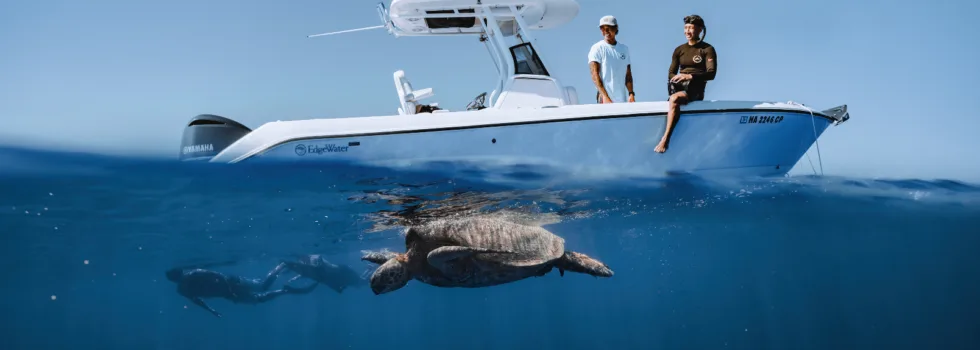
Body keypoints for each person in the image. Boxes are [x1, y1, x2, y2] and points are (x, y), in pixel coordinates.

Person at [164, 263, 316, 318]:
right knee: (259, 298)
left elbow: (217, 275)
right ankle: (286, 290)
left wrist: (229, 289)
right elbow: (197, 300)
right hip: (228, 293)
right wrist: (212, 311)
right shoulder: (183, 289)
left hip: (232, 283)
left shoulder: (194, 274)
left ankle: (282, 266)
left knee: (263, 287)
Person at [657, 14, 717, 153]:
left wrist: (689, 76)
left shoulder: (707, 49)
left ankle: (665, 140)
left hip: (696, 88)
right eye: (685, 28)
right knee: (672, 98)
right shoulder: (679, 50)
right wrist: (677, 78)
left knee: (674, 99)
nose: (687, 31)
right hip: (679, 87)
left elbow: (711, 73)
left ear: (700, 29)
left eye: (691, 28)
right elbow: (671, 73)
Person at [588, 15, 635, 104]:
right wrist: (605, 97)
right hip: (604, 100)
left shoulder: (624, 49)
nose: (606, 31)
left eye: (609, 28)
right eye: (602, 28)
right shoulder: (597, 48)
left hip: (622, 100)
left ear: (616, 28)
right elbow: (594, 74)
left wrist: (631, 93)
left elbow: (628, 75)